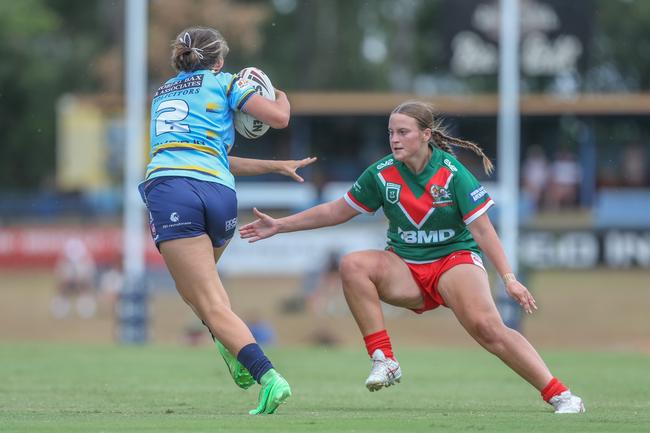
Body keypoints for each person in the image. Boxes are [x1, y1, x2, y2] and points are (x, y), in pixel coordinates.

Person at [240, 101, 585, 414]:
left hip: (453, 261)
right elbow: (336, 210)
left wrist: (508, 278)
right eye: (391, 132)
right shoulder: (381, 173)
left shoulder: (452, 172)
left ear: (426, 135)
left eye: (403, 132)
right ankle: (384, 359)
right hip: (404, 266)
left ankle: (561, 395)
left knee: (488, 329)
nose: (395, 139)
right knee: (353, 265)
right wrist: (280, 225)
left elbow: (483, 231)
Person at [139, 27, 315, 415]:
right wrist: (278, 96)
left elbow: (274, 119)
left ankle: (266, 375)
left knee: (208, 300)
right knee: (201, 293)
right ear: (218, 60)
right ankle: (229, 344)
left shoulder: (162, 92)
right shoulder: (226, 81)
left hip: (173, 190)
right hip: (220, 195)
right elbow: (278, 117)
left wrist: (277, 104)